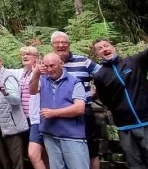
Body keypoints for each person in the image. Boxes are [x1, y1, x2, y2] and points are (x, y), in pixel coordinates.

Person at [91, 8, 148, 169]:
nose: (104, 49)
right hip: (125, 125)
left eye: (106, 45)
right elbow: (106, 99)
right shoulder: (100, 76)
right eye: (100, 49)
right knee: (134, 163)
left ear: (113, 47)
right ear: (97, 55)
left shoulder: (134, 62)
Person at [30, 53, 89, 169]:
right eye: (46, 66)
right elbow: (32, 90)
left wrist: (54, 113)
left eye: (52, 66)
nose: (49, 69)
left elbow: (79, 108)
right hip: (50, 134)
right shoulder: (43, 79)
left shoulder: (75, 82)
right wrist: (36, 74)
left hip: (71, 136)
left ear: (61, 64)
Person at [51, 31, 100, 169]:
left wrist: (96, 92)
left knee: (91, 150)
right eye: (57, 43)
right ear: (52, 46)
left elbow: (105, 76)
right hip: (58, 114)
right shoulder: (49, 64)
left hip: (83, 112)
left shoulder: (83, 61)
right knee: (62, 152)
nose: (61, 45)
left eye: (64, 42)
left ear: (69, 44)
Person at [0, 49, 28, 169]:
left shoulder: (8, 76)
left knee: (16, 161)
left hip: (10, 125)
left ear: (1, 61)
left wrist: (5, 92)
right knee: (4, 160)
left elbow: (16, 100)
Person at [18, 47, 47, 169]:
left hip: (38, 117)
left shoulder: (43, 71)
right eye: (23, 54)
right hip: (26, 118)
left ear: (36, 57)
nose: (25, 56)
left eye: (28, 54)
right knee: (42, 154)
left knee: (34, 154)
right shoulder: (23, 72)